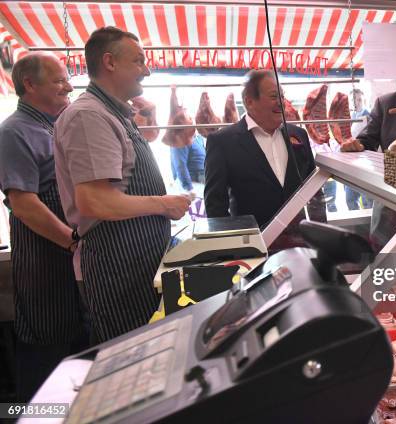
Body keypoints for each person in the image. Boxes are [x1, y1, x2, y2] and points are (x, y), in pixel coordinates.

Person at [54, 27, 191, 342]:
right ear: (109, 62)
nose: (147, 70)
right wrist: (163, 204)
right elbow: (95, 202)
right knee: (134, 360)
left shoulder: (114, 114)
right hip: (118, 267)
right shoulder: (88, 115)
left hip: (139, 260)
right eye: (139, 61)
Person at [0, 53, 85, 400]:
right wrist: (74, 244)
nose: (68, 86)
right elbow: (24, 205)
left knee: (73, 361)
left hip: (68, 264)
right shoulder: (14, 132)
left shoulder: (53, 125)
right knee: (45, 364)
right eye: (58, 80)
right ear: (30, 85)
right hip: (44, 267)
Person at [205, 69, 316, 228]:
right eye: (273, 96)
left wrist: (319, 234)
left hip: (298, 242)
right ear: (249, 102)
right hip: (252, 245)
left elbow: (314, 191)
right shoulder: (222, 142)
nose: (281, 102)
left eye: (282, 96)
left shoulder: (299, 135)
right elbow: (215, 207)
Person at [345, 89, 373, 210]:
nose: (356, 103)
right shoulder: (350, 116)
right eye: (353, 100)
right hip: (351, 163)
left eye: (359, 100)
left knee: (367, 199)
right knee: (350, 198)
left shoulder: (368, 116)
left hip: (365, 164)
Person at [171, 132, 206, 197]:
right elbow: (180, 165)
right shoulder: (181, 138)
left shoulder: (198, 138)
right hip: (192, 185)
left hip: (201, 183)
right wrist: (189, 188)